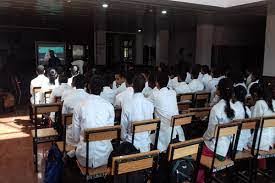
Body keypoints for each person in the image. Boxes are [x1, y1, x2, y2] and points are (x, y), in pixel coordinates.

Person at [72, 75, 115, 168]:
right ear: (102, 89)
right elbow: (110, 136)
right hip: (105, 155)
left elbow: (75, 137)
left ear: (88, 87)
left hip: (84, 157)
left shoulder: (79, 106)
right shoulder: (109, 107)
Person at [203, 78, 245, 159]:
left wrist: (203, 138)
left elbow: (211, 133)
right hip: (230, 148)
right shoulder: (236, 108)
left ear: (218, 91)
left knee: (195, 150)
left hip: (216, 150)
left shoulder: (216, 108)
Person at [148, 72, 185, 152]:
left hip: (164, 133)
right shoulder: (173, 93)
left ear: (156, 83)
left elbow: (146, 105)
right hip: (177, 130)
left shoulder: (155, 94)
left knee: (147, 140)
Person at [121, 74, 154, 152]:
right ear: (144, 87)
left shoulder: (127, 104)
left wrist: (124, 138)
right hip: (146, 145)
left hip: (131, 146)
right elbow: (150, 128)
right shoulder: (150, 104)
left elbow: (123, 129)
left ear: (132, 85)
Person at [62, 75, 89, 149]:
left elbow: (63, 121)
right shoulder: (90, 98)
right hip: (87, 137)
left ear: (73, 84)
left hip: (72, 138)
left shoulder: (67, 99)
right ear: (85, 85)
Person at [249, 83, 275, 151]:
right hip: (271, 140)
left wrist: (252, 107)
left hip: (260, 141)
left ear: (255, 94)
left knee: (243, 143)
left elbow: (253, 123)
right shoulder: (273, 102)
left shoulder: (259, 103)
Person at [234, 85, 252, 151]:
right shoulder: (247, 109)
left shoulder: (233, 108)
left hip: (235, 145)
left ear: (233, 95)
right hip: (245, 143)